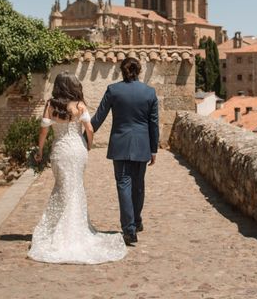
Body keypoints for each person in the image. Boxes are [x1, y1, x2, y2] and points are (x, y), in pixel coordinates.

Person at [28, 72, 127, 264]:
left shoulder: (51, 105)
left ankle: (62, 230)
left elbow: (43, 130)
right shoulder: (80, 105)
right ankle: (76, 229)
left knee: (63, 187)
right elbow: (89, 129)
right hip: (77, 150)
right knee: (76, 188)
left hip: (60, 150)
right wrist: (88, 145)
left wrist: (39, 150)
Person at [91, 57, 159, 246]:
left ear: (122, 70)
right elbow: (153, 124)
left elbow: (98, 117)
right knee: (138, 185)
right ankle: (136, 221)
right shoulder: (149, 92)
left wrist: (84, 135)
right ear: (139, 71)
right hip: (142, 145)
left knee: (124, 184)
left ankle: (129, 229)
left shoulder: (113, 90)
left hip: (120, 145)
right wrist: (154, 149)